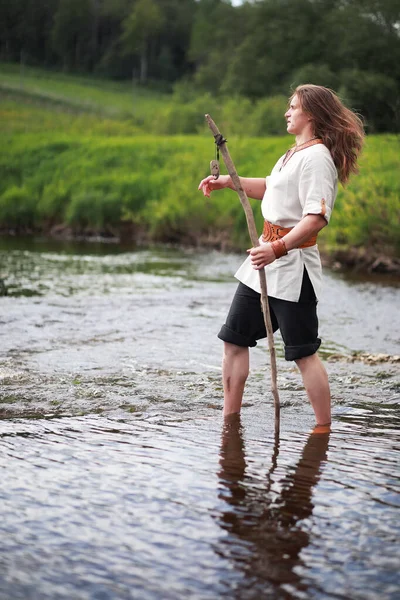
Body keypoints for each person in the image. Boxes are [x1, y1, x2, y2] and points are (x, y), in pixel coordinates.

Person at [198, 84, 364, 426]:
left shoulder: (318, 159)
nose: (287, 112)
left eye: (293, 107)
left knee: (304, 354)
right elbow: (271, 188)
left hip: (292, 268)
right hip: (263, 262)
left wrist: (277, 248)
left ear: (312, 115)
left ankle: (322, 428)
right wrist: (231, 182)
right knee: (233, 340)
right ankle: (230, 420)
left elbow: (316, 218)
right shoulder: (293, 153)